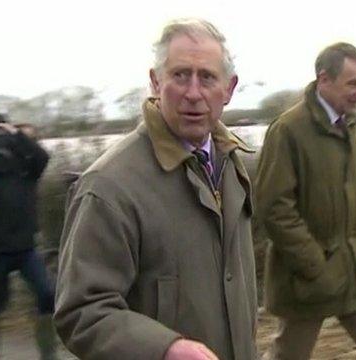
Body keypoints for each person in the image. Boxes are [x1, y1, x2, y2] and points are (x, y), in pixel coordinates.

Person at [54, 18, 257, 360]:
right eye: (180, 75)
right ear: (155, 81)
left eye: (207, 77)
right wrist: (164, 349)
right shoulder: (108, 187)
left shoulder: (231, 163)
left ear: (229, 88)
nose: (193, 92)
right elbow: (81, 311)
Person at [255, 42, 356, 360]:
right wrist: (314, 265)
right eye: (353, 83)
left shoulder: (351, 124)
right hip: (307, 276)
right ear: (324, 80)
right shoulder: (287, 130)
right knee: (289, 356)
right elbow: (274, 208)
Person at [0, 115, 56, 360]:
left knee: (47, 294)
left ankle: (48, 355)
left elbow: (42, 157)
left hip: (26, 249)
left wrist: (13, 133)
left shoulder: (28, 172)